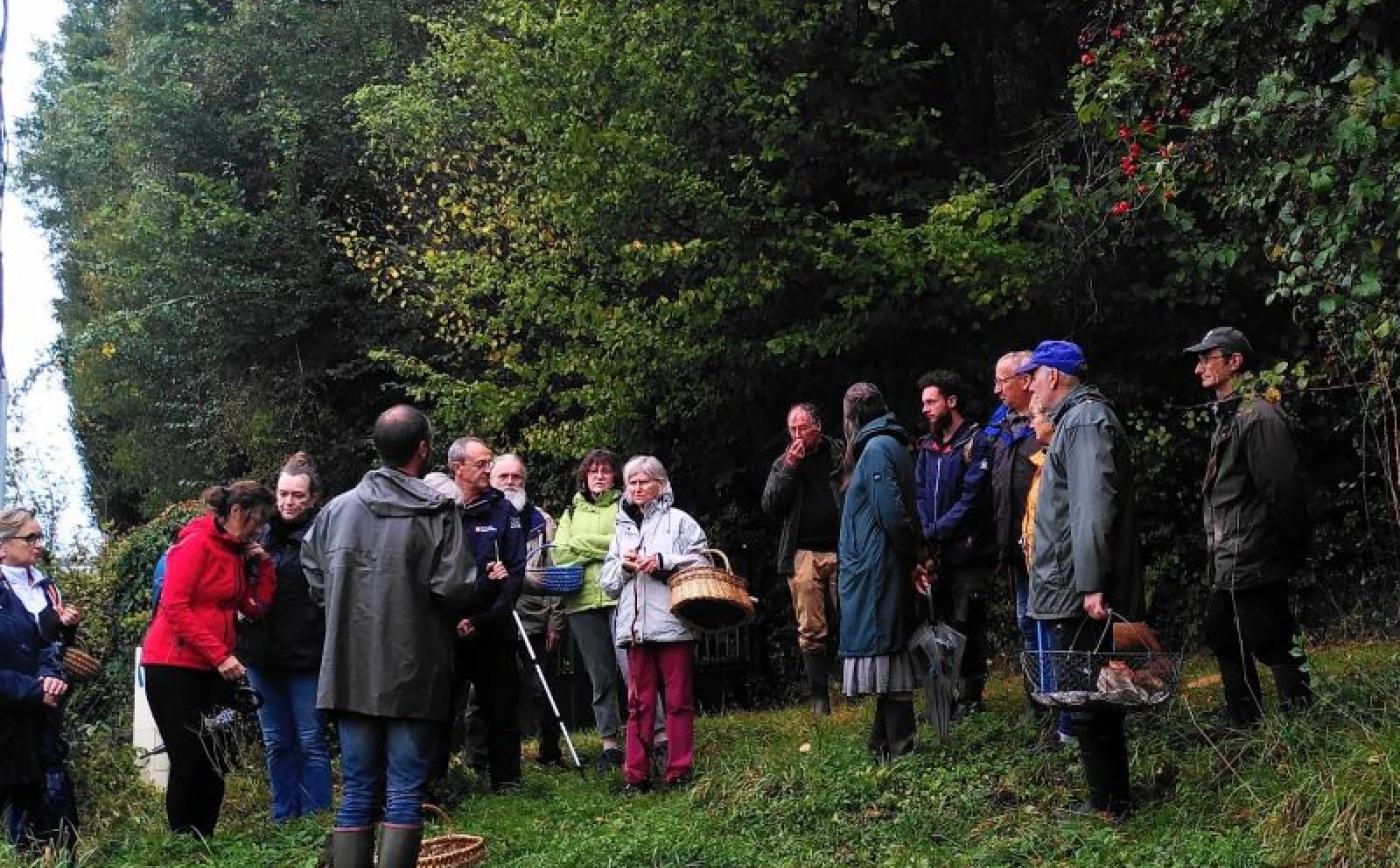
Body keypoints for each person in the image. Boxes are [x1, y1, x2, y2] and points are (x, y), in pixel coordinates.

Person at [304, 405, 477, 868]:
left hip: (349, 667)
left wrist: (341, 606)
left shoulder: (335, 511)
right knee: (404, 791)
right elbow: (456, 586)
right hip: (415, 668)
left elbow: (313, 574)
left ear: (377, 448)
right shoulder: (438, 511)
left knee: (357, 789)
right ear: (424, 449)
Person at [1019, 340, 1143, 819]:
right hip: (1070, 587)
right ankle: (1109, 799)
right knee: (1089, 695)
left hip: (1078, 592)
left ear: (1055, 376)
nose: (1028, 384)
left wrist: (1092, 584)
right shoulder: (1075, 420)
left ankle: (1108, 806)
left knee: (1090, 698)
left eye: (1034, 374)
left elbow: (1093, 510)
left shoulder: (1086, 420)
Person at [1185, 326, 1313, 724]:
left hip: (1254, 553)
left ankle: (1300, 718)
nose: (1199, 367)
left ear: (1235, 362)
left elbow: (1284, 488)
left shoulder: (1257, 416)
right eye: (1200, 358)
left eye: (1209, 357)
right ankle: (1243, 718)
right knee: (1221, 632)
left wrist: (1288, 547)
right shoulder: (1229, 414)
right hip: (1229, 555)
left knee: (1272, 637)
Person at [141, 481, 277, 837]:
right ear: (236, 511)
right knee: (187, 756)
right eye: (256, 520)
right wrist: (220, 655)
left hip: (214, 668)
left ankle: (206, 840)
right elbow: (174, 606)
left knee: (216, 755)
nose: (259, 529)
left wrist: (263, 569)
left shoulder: (236, 553)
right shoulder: (196, 544)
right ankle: (184, 841)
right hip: (173, 666)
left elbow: (252, 607)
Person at [600, 456, 709, 792]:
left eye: (644, 481)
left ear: (661, 485)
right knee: (638, 703)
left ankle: (679, 771)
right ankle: (635, 776)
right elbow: (606, 582)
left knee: (678, 700)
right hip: (635, 629)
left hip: (673, 623)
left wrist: (663, 561)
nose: (637, 488)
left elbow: (702, 560)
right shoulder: (621, 528)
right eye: (632, 482)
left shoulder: (679, 522)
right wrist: (625, 568)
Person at [235, 452, 332, 821]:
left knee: (310, 740)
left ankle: (317, 817)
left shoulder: (322, 535)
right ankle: (284, 817)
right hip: (261, 654)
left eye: (297, 495)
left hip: (307, 653)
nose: (289, 502)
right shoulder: (256, 534)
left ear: (313, 498)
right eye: (283, 494)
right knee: (276, 742)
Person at [838, 383, 924, 762]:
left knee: (887, 650)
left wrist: (914, 555)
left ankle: (900, 747)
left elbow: (892, 514)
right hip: (881, 564)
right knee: (890, 650)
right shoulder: (891, 444)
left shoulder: (874, 449)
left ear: (853, 415)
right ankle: (882, 745)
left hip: (877, 567)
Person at [445, 437, 528, 793]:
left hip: (493, 627)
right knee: (443, 709)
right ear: (457, 468)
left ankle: (506, 780)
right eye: (480, 464)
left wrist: (482, 619)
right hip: (448, 630)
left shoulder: (503, 510)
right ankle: (438, 780)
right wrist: (454, 620)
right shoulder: (440, 510)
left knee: (502, 706)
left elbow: (515, 572)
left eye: (489, 462)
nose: (488, 470)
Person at [913, 369, 994, 717]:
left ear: (951, 401)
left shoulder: (977, 442)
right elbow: (918, 492)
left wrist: (937, 530)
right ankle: (943, 695)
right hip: (938, 551)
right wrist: (926, 533)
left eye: (931, 402)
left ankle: (972, 696)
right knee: (940, 621)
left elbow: (972, 498)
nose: (926, 409)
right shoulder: (926, 447)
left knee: (968, 620)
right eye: (923, 403)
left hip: (969, 549)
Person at [0, 509, 77, 852]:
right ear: (3, 546)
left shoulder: (45, 586)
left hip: (42, 710)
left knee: (51, 794)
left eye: (39, 537)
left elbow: (49, 644)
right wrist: (32, 689)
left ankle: (57, 856)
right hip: (6, 709)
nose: (38, 545)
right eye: (30, 538)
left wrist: (51, 676)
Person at [761, 403, 843, 715]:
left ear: (817, 427)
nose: (797, 434)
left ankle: (853, 685)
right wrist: (790, 467)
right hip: (802, 553)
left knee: (850, 615)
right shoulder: (784, 462)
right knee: (810, 625)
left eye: (802, 428)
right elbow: (770, 505)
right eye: (792, 429)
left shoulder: (839, 453)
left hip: (842, 547)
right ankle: (819, 697)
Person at [553, 449, 627, 770]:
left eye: (606, 471)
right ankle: (610, 743)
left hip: (620, 597)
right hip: (581, 602)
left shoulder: (626, 505)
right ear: (584, 476)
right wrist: (605, 547)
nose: (599, 476)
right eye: (593, 471)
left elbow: (625, 545)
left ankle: (653, 736)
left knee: (633, 671)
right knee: (601, 676)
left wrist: (582, 544)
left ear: (614, 477)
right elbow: (559, 556)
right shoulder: (571, 510)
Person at [491, 454, 564, 767]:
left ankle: (550, 753)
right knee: (486, 695)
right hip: (493, 617)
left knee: (543, 688)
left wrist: (555, 620)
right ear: (492, 480)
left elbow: (557, 571)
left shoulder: (543, 521)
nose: (510, 482)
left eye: (516, 477)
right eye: (503, 476)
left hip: (535, 616)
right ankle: (479, 758)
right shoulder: (480, 517)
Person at [988, 351, 1044, 718]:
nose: (996, 390)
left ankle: (1057, 704)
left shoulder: (1047, 425)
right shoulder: (1002, 427)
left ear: (1025, 380)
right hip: (1014, 547)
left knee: (1045, 625)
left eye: (1002, 381)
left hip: (1044, 548)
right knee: (1025, 622)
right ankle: (1036, 703)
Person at [1019, 399, 1073, 746]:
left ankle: (1069, 727)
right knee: (1046, 645)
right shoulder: (1041, 461)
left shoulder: (1060, 460)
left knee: (1063, 648)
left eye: (1035, 418)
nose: (1030, 425)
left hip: (1057, 571)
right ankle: (1056, 718)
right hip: (1038, 569)